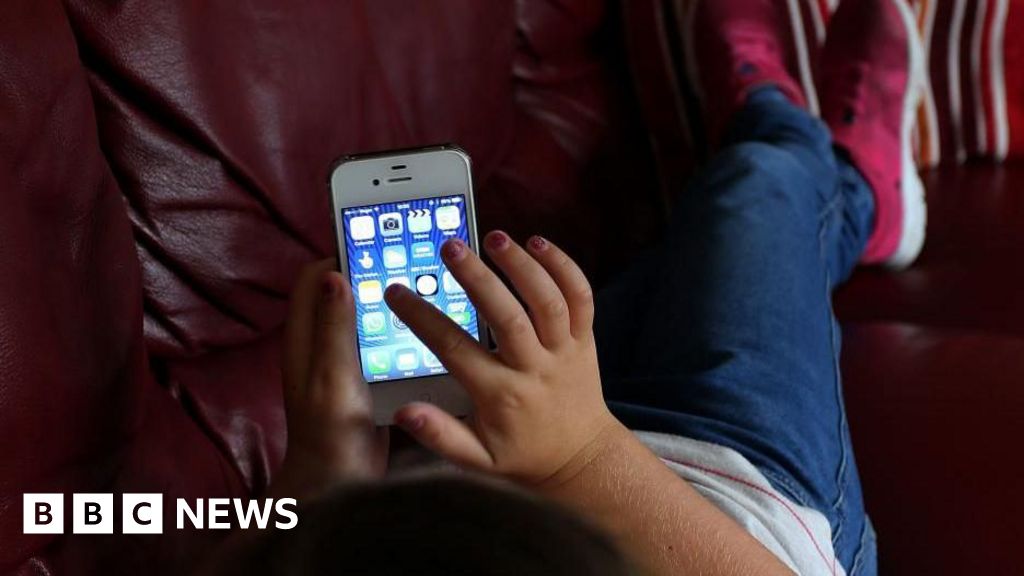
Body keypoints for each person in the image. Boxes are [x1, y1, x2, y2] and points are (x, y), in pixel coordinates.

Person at [219, 0, 925, 574]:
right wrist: (581, 454)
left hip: (515, 426)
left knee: (686, 244)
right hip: (721, 498)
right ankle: (817, 149)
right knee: (758, 184)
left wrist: (323, 483)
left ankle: (796, 149)